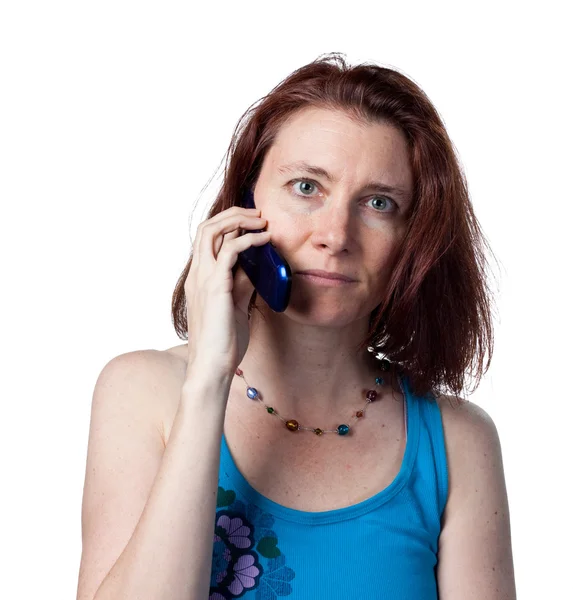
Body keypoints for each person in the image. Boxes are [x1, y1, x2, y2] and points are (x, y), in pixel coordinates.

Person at [76, 53, 516, 600]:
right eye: (307, 187)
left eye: (379, 203)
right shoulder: (143, 392)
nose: (336, 234)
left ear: (414, 239)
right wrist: (210, 377)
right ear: (245, 203)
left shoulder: (457, 442)